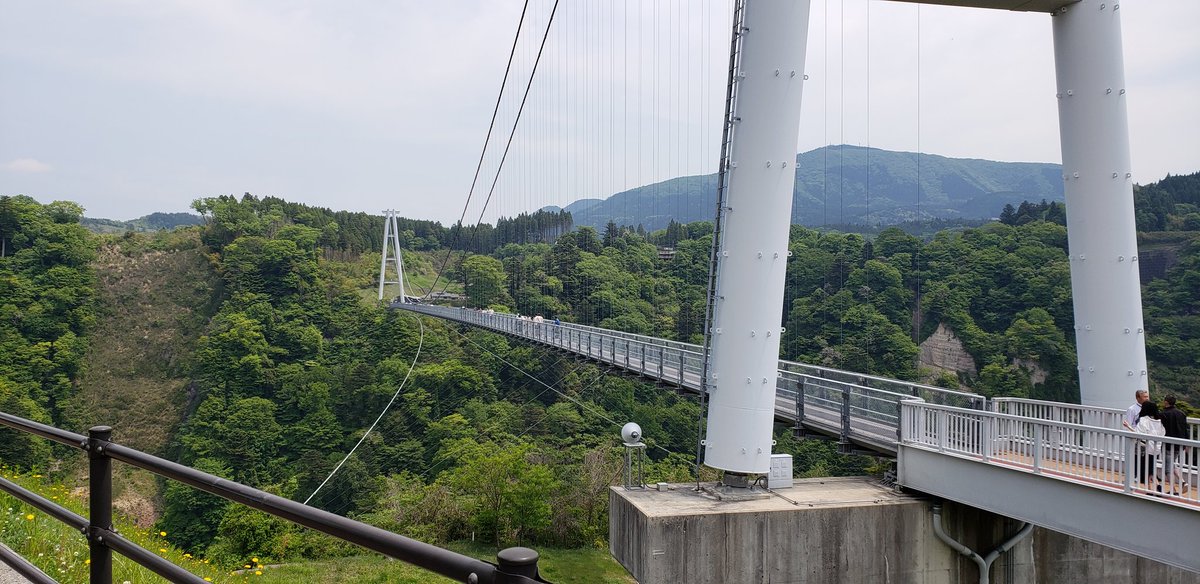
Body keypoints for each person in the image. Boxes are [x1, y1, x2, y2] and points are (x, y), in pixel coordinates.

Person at [1123, 401, 1165, 493]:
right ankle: (1156, 485)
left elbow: (1138, 433)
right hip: (1156, 448)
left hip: (1145, 448)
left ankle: (1149, 488)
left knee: (1145, 468)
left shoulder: (1144, 420)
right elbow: (1163, 433)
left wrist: (1128, 427)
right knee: (1151, 468)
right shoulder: (1159, 420)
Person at [1158, 395, 1191, 494]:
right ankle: (1183, 482)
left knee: (1167, 469)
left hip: (1168, 444)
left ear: (1166, 402)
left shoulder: (1163, 414)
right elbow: (1185, 429)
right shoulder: (1182, 413)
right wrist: (1186, 442)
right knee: (1172, 464)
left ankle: (1173, 489)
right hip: (1179, 443)